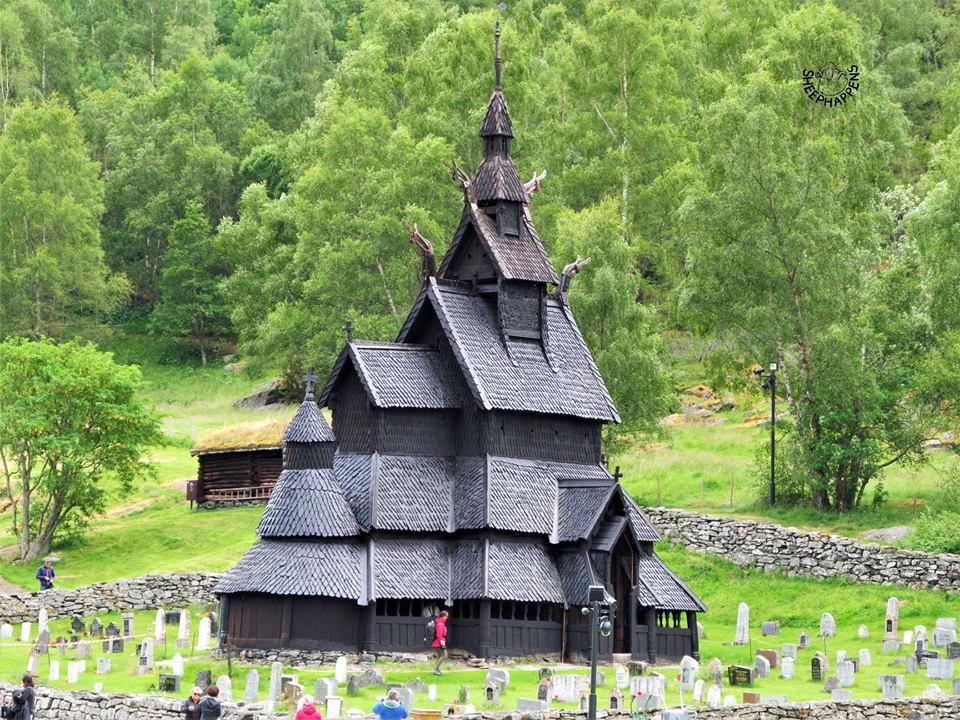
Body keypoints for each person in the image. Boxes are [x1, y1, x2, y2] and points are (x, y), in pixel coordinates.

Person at [432, 610, 448, 675]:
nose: (447, 617)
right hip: (439, 643)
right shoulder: (440, 624)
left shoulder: (439, 623)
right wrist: (442, 644)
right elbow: (439, 635)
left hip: (436, 642)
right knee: (444, 655)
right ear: (443, 616)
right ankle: (435, 668)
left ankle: (436, 669)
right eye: (446, 616)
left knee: (439, 656)